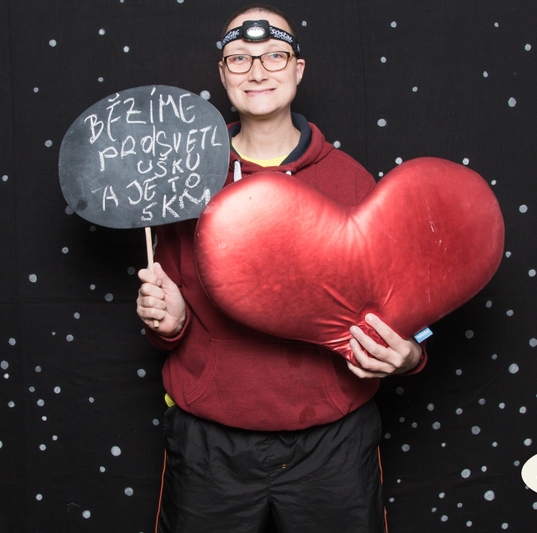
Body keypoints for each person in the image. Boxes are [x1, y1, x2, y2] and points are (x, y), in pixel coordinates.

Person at [136, 4, 426, 532]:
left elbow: (408, 305)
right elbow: (168, 324)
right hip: (210, 444)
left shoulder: (352, 181)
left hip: (332, 442)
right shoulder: (183, 178)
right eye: (239, 58)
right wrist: (169, 324)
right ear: (223, 73)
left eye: (274, 55)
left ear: (298, 69)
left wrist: (411, 353)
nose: (257, 70)